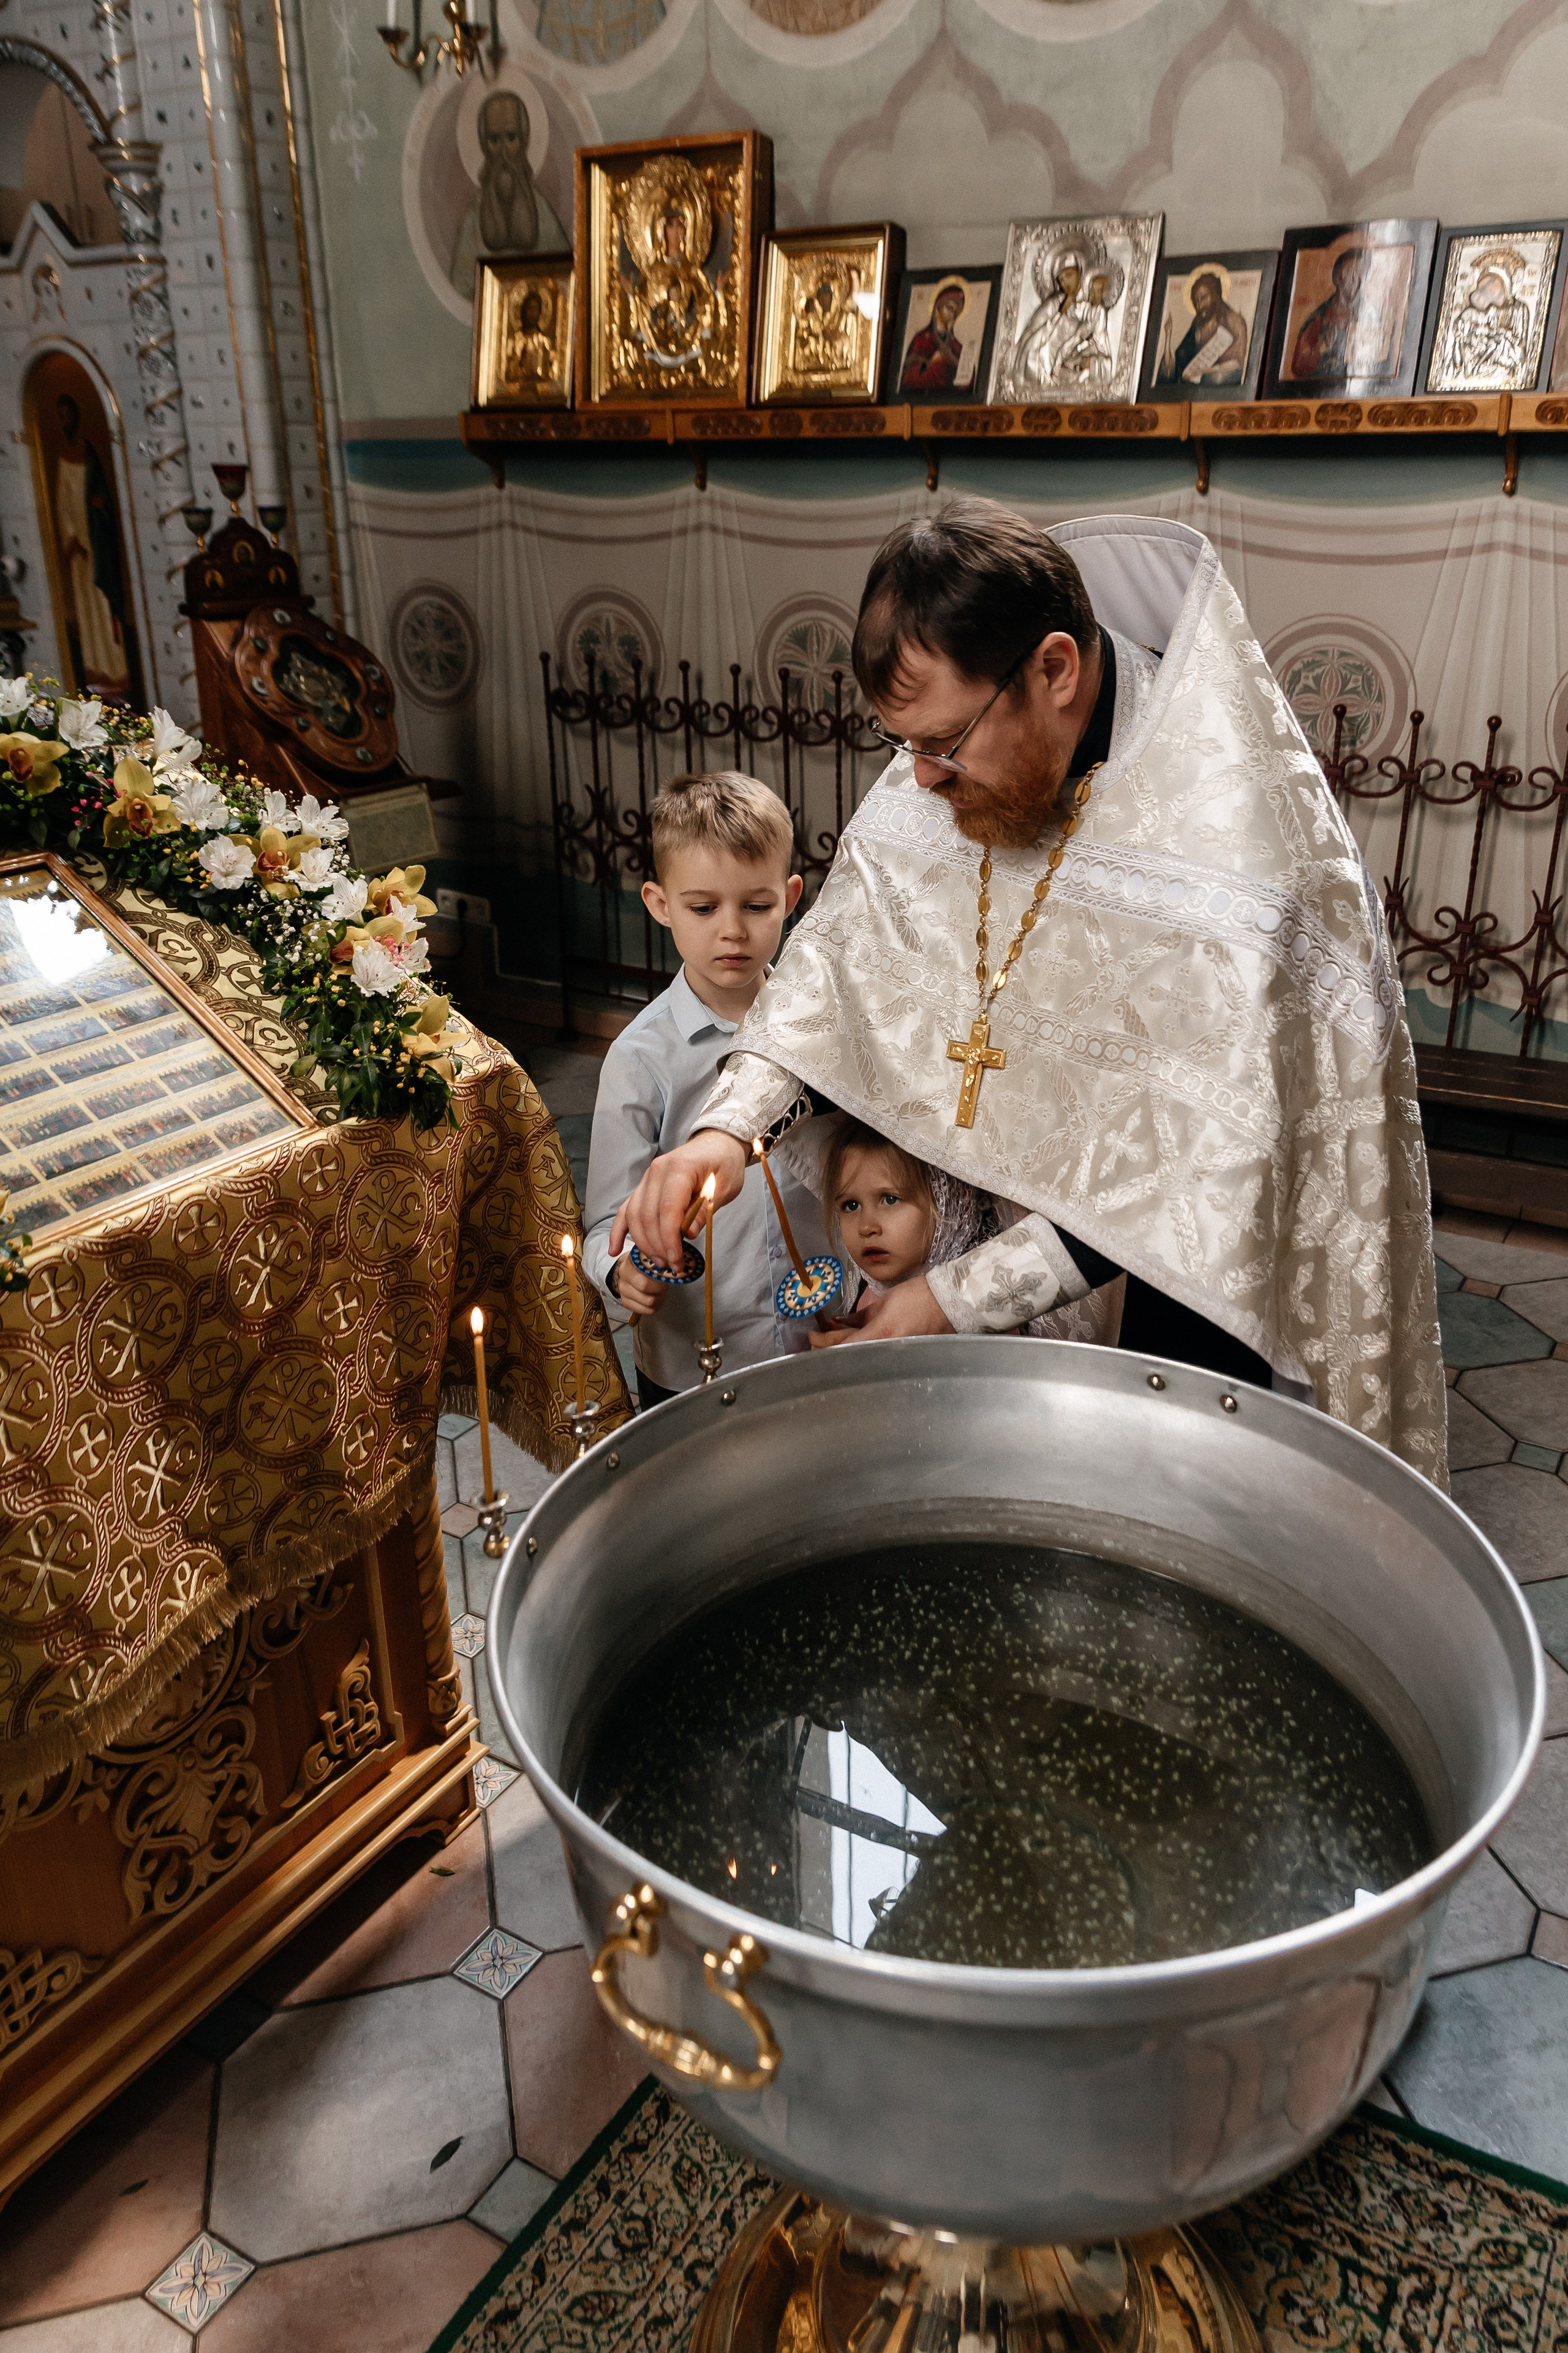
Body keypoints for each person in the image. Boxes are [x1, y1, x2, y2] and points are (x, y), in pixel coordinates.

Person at [611, 496, 1446, 1484]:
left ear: (1054, 669)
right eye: (904, 744)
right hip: (951, 1224)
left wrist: (950, 1303)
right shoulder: (939, 770)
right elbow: (840, 976)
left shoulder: (1236, 854)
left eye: (944, 745)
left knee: (1167, 1500)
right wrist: (727, 1131)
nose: (918, 781)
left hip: (1175, 1295)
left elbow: (1195, 1186)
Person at [582, 770, 832, 1410]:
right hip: (695, 1356)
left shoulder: (819, 1029)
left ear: (791, 896)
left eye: (756, 905)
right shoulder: (640, 1058)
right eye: (703, 907)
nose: (732, 931)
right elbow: (607, 1220)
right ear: (660, 903)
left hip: (823, 1331)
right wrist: (622, 1271)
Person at [448, 91, 567, 299]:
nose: (503, 151)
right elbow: (462, 284)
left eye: (511, 138)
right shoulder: (475, 216)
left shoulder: (540, 211)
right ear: (484, 145)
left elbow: (566, 281)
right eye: (494, 140)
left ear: (524, 140)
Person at [899, 284, 967, 395]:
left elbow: (968, 383)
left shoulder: (956, 346)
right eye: (950, 307)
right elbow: (908, 380)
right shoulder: (921, 340)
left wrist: (953, 360)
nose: (953, 314)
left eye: (956, 311)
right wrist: (933, 362)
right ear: (938, 307)